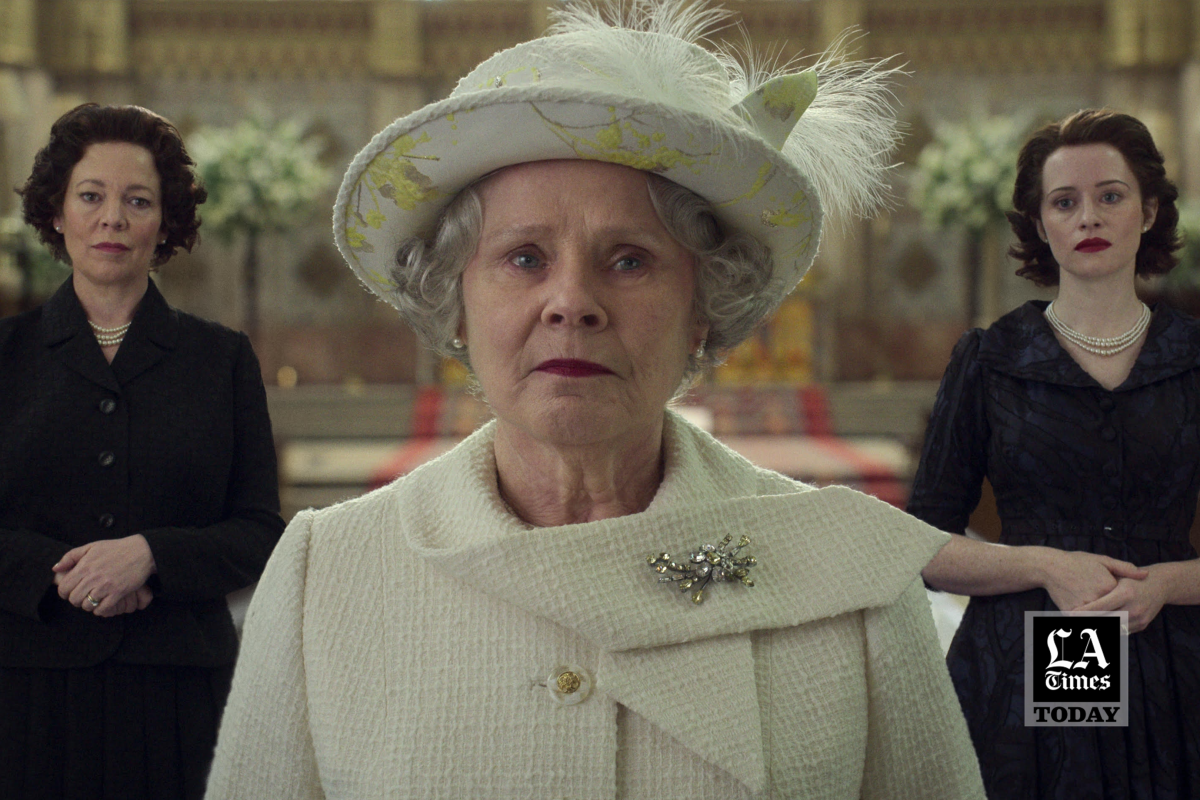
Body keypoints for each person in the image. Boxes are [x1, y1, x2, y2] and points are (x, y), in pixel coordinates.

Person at [205, 2, 984, 797]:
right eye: (524, 257)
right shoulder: (322, 575)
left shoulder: (855, 573)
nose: (571, 302)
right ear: (457, 301)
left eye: (630, 260)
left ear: (703, 305)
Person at [909, 108, 1200, 799]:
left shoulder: (1195, 357)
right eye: (1064, 202)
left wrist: (1163, 584)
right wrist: (1045, 566)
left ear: (1150, 210)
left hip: (1176, 668)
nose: (1088, 217)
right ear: (1040, 225)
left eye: (1111, 195)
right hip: (1020, 665)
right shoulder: (990, 360)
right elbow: (920, 544)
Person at [0, 103, 285, 800]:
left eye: (138, 201)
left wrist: (151, 555)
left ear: (166, 222)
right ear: (57, 212)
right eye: (91, 197)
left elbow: (259, 533)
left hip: (181, 692)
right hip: (26, 691)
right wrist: (58, 572)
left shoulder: (221, 359)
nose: (113, 219)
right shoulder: (5, 355)